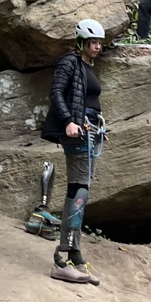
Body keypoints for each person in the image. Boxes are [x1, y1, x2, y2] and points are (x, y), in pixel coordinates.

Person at [40, 18, 106, 286]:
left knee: (82, 190)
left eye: (100, 42)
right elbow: (56, 92)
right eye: (93, 42)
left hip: (90, 133)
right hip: (77, 132)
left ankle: (76, 256)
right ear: (81, 42)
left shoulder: (87, 66)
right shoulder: (70, 62)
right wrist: (69, 121)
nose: (97, 46)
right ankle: (61, 258)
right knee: (77, 192)